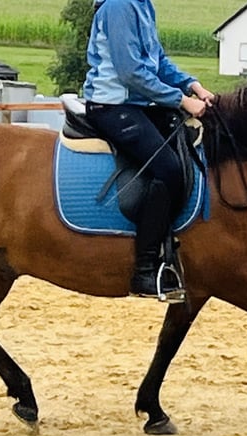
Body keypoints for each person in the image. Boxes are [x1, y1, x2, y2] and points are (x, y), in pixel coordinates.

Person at [83, 0, 214, 299]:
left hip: (139, 105)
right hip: (111, 105)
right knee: (168, 169)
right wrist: (182, 101)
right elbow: (131, 72)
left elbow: (157, 62)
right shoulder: (119, 6)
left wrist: (193, 85)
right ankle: (144, 272)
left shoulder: (143, 4)